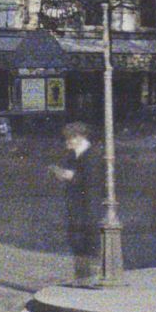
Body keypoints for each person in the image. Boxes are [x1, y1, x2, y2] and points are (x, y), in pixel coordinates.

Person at [52, 121, 104, 286]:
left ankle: (91, 277)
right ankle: (81, 277)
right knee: (77, 240)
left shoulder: (92, 154)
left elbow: (92, 181)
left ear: (80, 137)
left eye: (70, 139)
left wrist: (70, 176)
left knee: (89, 240)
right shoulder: (74, 154)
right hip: (77, 206)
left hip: (89, 206)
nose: (67, 142)